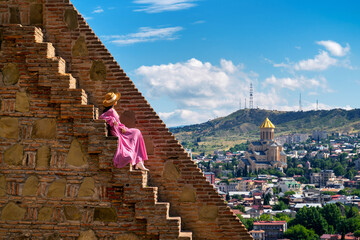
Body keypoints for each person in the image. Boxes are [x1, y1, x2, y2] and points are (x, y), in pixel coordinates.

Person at [99, 92, 149, 171]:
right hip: (117, 131)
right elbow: (101, 117)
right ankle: (138, 161)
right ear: (114, 102)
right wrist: (112, 120)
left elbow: (118, 123)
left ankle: (139, 161)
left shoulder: (113, 110)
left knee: (137, 132)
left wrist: (123, 127)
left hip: (120, 129)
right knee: (136, 132)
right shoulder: (111, 111)